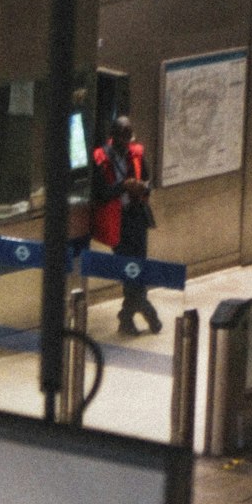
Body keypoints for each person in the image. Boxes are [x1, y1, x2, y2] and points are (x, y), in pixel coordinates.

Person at [92, 115, 162, 337]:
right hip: (116, 220)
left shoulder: (137, 154)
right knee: (128, 270)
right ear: (113, 137)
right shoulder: (102, 158)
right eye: (122, 138)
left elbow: (149, 181)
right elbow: (101, 193)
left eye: (128, 138)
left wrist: (142, 187)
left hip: (136, 217)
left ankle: (126, 317)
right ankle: (145, 310)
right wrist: (123, 187)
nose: (126, 143)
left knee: (138, 269)